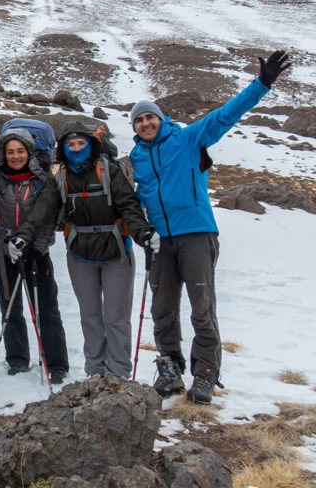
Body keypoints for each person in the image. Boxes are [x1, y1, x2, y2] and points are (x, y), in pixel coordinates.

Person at [131, 50, 290, 403]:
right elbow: (135, 200)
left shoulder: (187, 138)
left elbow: (224, 116)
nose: (145, 123)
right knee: (163, 309)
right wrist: (142, 230)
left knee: (202, 308)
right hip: (160, 242)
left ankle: (204, 374)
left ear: (160, 118)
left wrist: (261, 84)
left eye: (149, 117)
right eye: (139, 120)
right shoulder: (137, 158)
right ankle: (170, 369)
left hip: (196, 235)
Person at [15, 123, 153, 380]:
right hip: (80, 256)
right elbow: (42, 210)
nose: (76, 149)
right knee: (90, 318)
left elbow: (129, 206)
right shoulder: (61, 177)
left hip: (116, 255)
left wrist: (142, 233)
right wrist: (24, 236)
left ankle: (119, 376)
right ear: (64, 149)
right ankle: (95, 373)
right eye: (71, 145)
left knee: (115, 319)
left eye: (81, 144)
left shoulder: (109, 172)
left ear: (91, 145)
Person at [0, 102, 69, 384]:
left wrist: (39, 247)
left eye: (20, 151)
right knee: (9, 307)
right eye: (10, 151)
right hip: (3, 252)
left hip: (36, 253)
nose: (14, 156)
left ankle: (56, 363)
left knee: (46, 309)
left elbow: (48, 219)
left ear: (29, 153)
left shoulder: (42, 181)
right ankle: (17, 359)